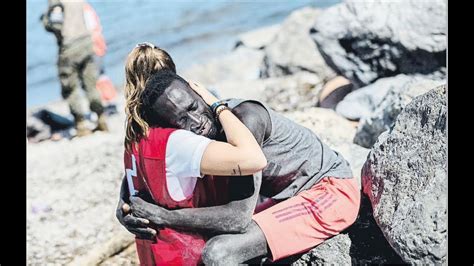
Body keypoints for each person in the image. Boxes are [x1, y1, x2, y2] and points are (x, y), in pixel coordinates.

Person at [117, 43, 361, 264]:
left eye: (194, 107)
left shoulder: (246, 119)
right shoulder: (191, 136)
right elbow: (146, 165)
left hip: (328, 192)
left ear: (201, 93)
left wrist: (164, 217)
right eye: (182, 121)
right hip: (286, 199)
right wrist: (126, 205)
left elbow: (237, 218)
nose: (196, 122)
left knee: (219, 252)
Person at [120, 44, 266, 265]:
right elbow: (253, 160)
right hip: (187, 254)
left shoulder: (135, 139)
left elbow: (133, 185)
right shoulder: (176, 142)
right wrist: (217, 106)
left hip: (154, 257)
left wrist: (121, 208)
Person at [41, 0, 108, 136]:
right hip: (86, 42)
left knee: (70, 87)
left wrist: (45, 21)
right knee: (91, 84)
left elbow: (56, 24)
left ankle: (81, 124)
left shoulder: (56, 1)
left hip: (69, 46)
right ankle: (101, 117)